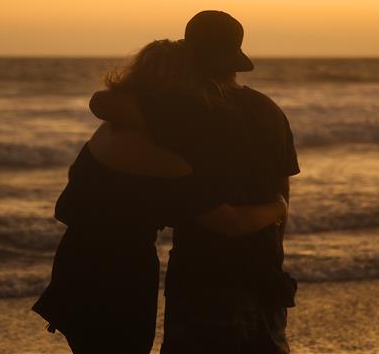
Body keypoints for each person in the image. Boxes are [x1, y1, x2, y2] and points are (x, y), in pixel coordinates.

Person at [32, 39, 289, 354]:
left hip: (76, 261)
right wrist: (277, 208)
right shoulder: (164, 158)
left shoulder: (112, 129)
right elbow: (229, 223)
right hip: (119, 274)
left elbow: (99, 108)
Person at [91, 11, 300, 354]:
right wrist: (273, 247)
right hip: (264, 264)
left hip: (204, 268)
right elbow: (282, 191)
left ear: (190, 55)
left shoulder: (190, 109)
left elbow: (103, 103)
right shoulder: (269, 110)